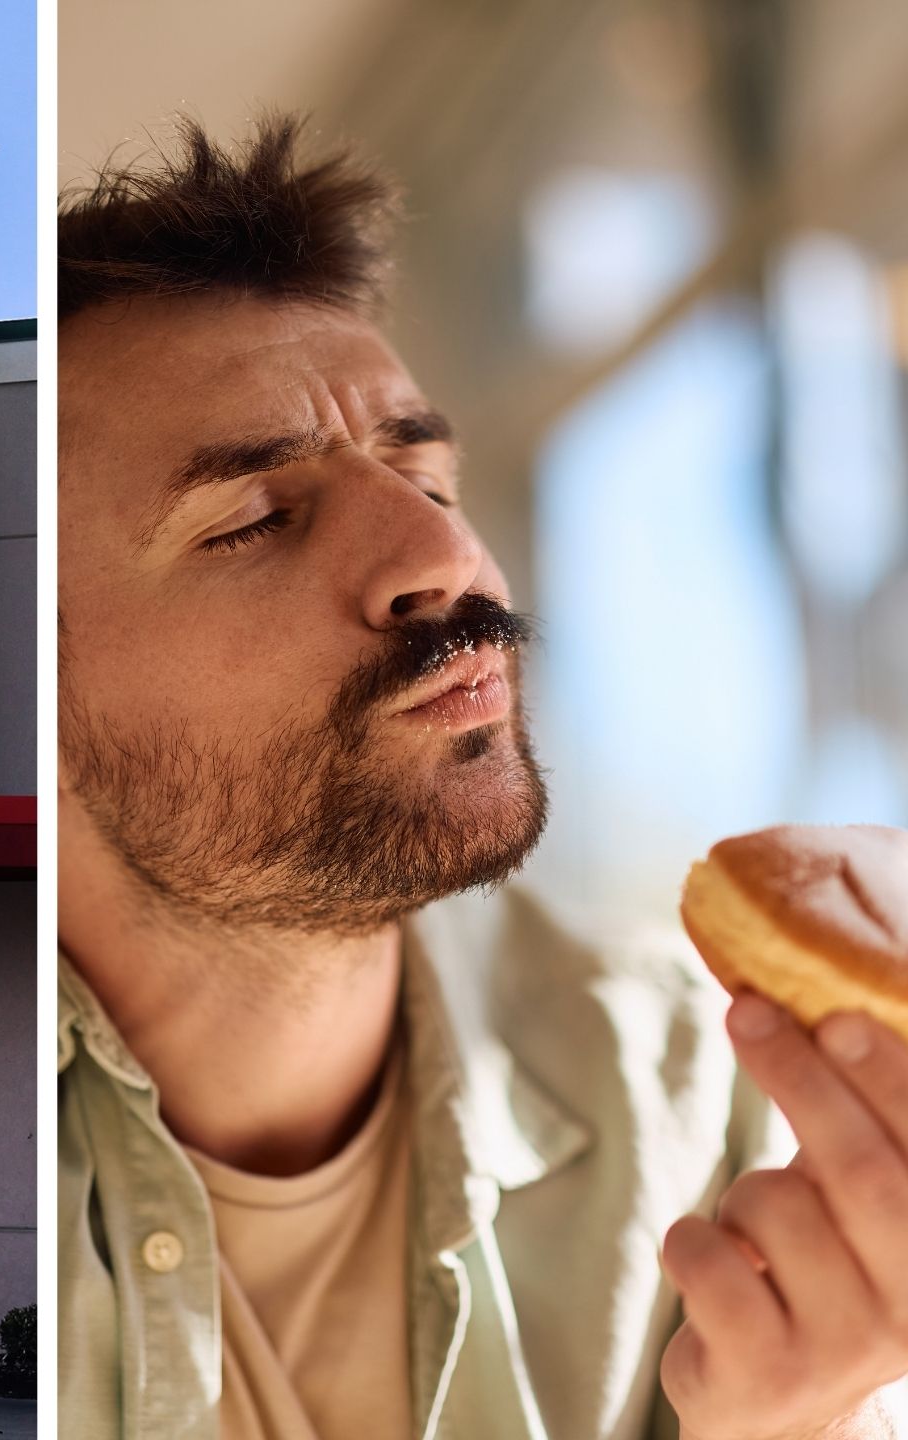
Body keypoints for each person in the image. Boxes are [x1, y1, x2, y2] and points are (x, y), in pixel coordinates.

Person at [56, 112, 908, 1439]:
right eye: (258, 520)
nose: (443, 559)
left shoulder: (720, 1133)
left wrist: (791, 1424)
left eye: (428, 474)